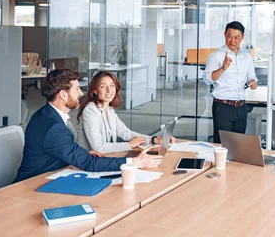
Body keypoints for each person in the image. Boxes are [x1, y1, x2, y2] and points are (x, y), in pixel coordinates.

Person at [14, 69, 162, 183]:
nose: (81, 93)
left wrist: (82, 153)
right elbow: (89, 163)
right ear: (63, 95)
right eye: (77, 89)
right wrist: (134, 162)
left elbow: (62, 149)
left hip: (54, 174)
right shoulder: (54, 127)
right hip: (34, 184)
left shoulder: (46, 115)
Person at [76, 71, 175, 154]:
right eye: (103, 86)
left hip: (105, 157)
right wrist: (129, 145)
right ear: (95, 90)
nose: (109, 90)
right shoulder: (90, 110)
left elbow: (125, 133)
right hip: (88, 162)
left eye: (112, 86)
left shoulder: (109, 110)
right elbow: (98, 147)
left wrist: (154, 140)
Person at [203, 21, 258, 144]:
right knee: (222, 146)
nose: (232, 40)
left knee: (238, 146)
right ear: (224, 35)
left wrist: (252, 82)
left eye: (237, 37)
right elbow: (207, 79)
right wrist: (222, 68)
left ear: (242, 37)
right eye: (229, 36)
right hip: (223, 107)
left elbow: (251, 76)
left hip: (241, 107)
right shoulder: (216, 56)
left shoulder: (247, 57)